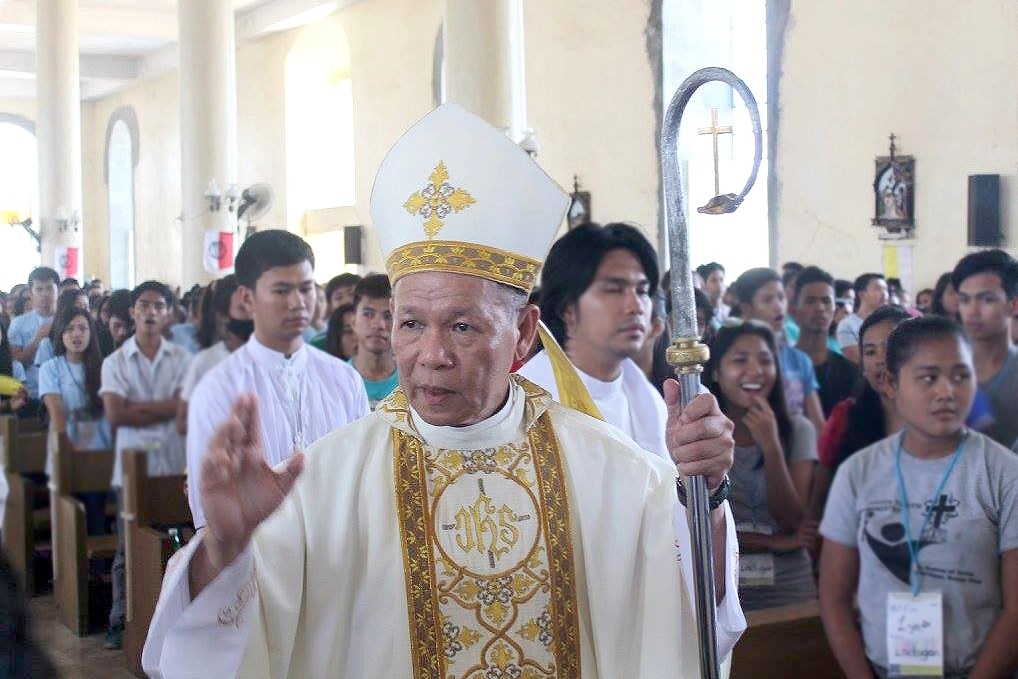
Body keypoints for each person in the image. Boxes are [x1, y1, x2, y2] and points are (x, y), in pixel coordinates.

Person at [143, 102, 743, 678]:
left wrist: (705, 494)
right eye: (410, 324)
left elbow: (686, 616)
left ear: (523, 333)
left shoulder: (611, 469)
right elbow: (216, 648)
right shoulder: (324, 481)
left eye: (462, 326)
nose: (431, 355)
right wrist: (224, 548)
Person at [819, 316, 1018, 678]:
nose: (947, 391)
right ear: (892, 384)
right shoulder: (859, 473)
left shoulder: (1004, 472)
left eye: (961, 375)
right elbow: (834, 597)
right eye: (928, 377)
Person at [184, 229, 369, 529]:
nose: (298, 302)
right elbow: (207, 511)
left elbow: (364, 477)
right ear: (247, 298)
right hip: (256, 558)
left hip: (336, 553)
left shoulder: (344, 379)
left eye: (306, 288)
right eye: (282, 290)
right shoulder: (218, 388)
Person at [100, 280, 192, 650]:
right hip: (133, 469)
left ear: (167, 314)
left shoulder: (182, 361)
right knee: (128, 550)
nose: (151, 312)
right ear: (133, 312)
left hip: (175, 466)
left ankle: (176, 625)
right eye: (144, 305)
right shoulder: (115, 363)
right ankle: (122, 620)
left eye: (158, 306)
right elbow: (117, 415)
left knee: (182, 545)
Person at [707, 320, 818, 611]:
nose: (755, 371)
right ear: (717, 371)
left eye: (765, 360)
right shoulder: (701, 436)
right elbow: (700, 530)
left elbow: (792, 519)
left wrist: (771, 445)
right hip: (722, 578)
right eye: (740, 360)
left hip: (789, 580)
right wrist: (772, 543)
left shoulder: (798, 430)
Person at [808, 306, 912, 521]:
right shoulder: (846, 415)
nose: (881, 360)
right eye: (870, 351)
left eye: (890, 347)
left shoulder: (943, 416)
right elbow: (819, 501)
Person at [38, 305, 114, 535]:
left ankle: (101, 567)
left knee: (97, 515)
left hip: (99, 457)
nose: (76, 334)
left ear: (91, 333)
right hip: (65, 453)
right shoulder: (51, 368)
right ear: (61, 333)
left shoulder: (103, 368)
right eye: (70, 329)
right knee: (69, 522)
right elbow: (57, 415)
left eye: (82, 328)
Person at [730, 267, 826, 436]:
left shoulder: (799, 360)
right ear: (746, 308)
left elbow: (819, 428)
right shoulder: (731, 361)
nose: (778, 306)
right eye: (767, 300)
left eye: (781, 297)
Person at [952, 249, 1018, 448]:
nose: (972, 311)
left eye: (986, 299)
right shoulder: (941, 367)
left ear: (1013, 306)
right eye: (965, 300)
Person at [176, 275, 254, 436]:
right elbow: (183, 423)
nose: (251, 315)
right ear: (223, 315)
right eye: (242, 308)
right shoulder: (206, 362)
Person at [794, 266, 859, 416]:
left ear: (835, 311)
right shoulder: (778, 368)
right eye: (810, 301)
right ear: (795, 310)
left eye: (826, 301)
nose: (819, 308)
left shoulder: (851, 374)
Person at [7, 267, 60, 406]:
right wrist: (38, 339)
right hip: (31, 394)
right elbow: (16, 362)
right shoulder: (18, 323)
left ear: (58, 290)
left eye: (49, 288)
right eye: (39, 289)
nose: (45, 294)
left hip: (62, 391)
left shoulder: (67, 321)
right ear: (31, 293)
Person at [347, 273, 398, 409]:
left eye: (388, 316)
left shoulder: (412, 382)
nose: (378, 324)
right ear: (353, 321)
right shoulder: (336, 380)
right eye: (368, 314)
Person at [836, 273, 889, 364]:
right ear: (862, 295)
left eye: (885, 289)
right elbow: (857, 359)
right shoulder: (847, 325)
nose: (884, 294)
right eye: (878, 289)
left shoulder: (889, 322)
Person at [33, 287, 90, 370]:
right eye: (80, 306)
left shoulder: (93, 335)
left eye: (86, 307)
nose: (85, 311)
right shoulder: (48, 343)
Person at [697, 261, 729, 327]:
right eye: (713, 280)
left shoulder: (730, 312)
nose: (719, 285)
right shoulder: (700, 313)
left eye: (721, 280)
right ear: (704, 285)